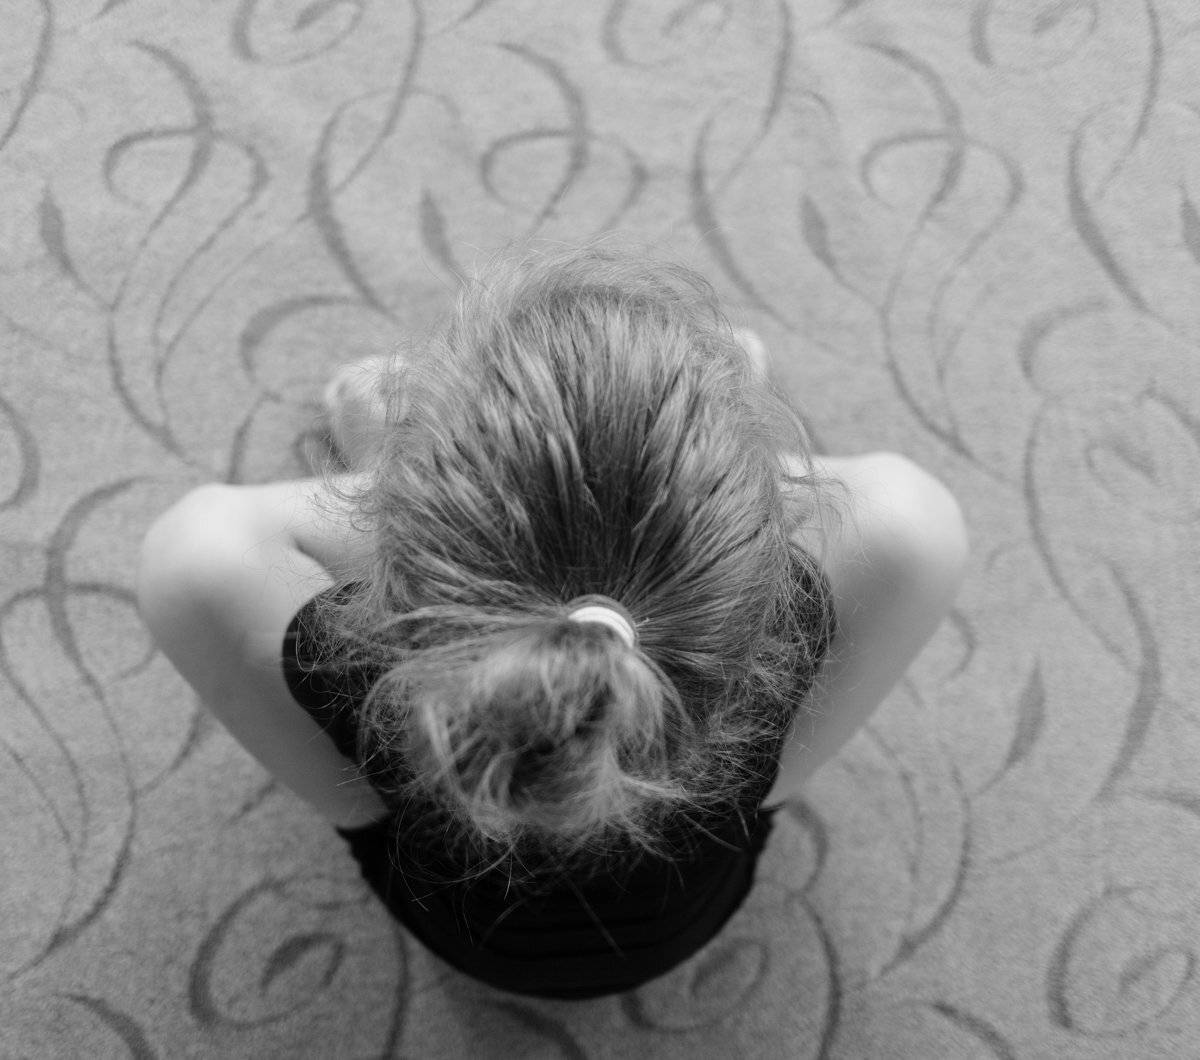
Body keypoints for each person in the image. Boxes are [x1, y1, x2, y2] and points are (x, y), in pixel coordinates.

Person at [135, 246, 968, 1000]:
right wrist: (726, 442)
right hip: (694, 912)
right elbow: (869, 521)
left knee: (204, 546)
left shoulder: (221, 587)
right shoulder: (913, 533)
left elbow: (216, 548)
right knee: (893, 513)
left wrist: (388, 465)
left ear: (386, 555)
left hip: (459, 930)